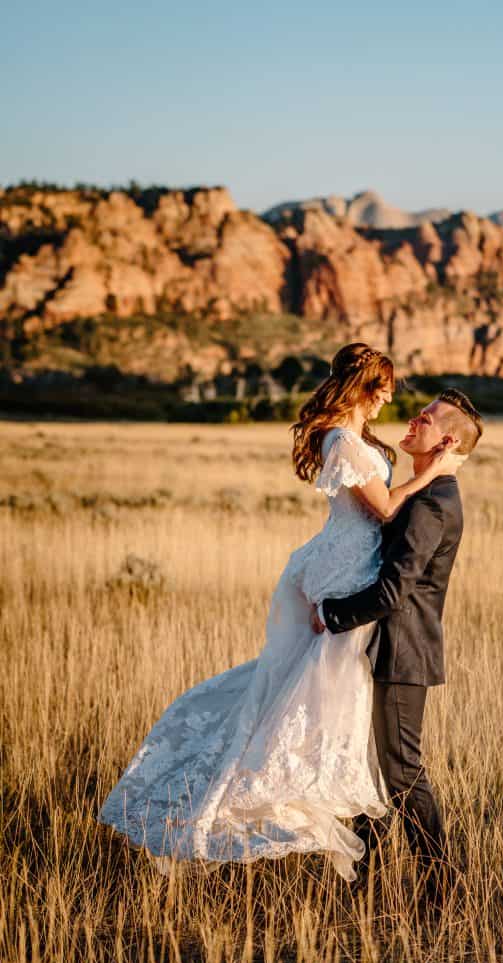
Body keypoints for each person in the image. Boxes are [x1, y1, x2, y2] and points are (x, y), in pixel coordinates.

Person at [96, 343, 461, 882]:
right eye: (381, 385)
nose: (389, 395)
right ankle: (271, 802)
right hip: (345, 575)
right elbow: (383, 508)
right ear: (360, 384)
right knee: (321, 706)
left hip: (352, 571)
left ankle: (368, 851)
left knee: (341, 713)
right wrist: (434, 473)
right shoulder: (341, 438)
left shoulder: (361, 438)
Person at [312, 388, 483, 878]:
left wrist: (332, 613)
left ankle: (441, 881)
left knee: (403, 771)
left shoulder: (433, 504)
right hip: (386, 649)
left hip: (402, 653)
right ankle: (366, 873)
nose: (412, 420)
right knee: (375, 767)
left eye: (424, 419)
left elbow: (392, 592)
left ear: (446, 442)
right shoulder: (428, 493)